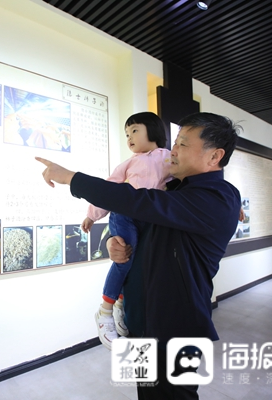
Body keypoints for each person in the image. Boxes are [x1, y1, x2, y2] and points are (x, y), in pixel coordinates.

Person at [37, 112, 242, 399]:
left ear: (214, 156)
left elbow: (138, 201)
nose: (173, 150)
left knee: (176, 395)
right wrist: (114, 242)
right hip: (138, 317)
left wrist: (72, 179)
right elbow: (139, 221)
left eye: (183, 144)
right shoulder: (172, 190)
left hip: (178, 325)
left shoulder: (219, 197)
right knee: (145, 392)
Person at [81, 112, 172, 349]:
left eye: (134, 130)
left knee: (139, 261)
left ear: (153, 130)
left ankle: (121, 304)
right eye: (127, 134)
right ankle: (105, 311)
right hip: (125, 215)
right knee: (124, 259)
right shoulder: (130, 162)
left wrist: (230, 204)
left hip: (150, 219)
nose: (129, 137)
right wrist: (92, 215)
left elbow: (190, 182)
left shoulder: (170, 158)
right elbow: (108, 188)